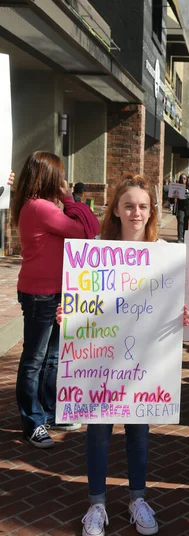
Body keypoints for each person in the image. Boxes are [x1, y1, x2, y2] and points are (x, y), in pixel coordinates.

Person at [57, 175, 189, 536]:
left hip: (144, 362)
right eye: (129, 205)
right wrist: (68, 314)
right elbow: (80, 301)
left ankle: (137, 499)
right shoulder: (94, 250)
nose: (136, 212)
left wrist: (183, 315)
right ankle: (97, 504)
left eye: (143, 206)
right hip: (102, 358)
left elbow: (171, 304)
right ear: (115, 208)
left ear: (151, 212)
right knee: (98, 429)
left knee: (139, 429)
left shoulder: (164, 253)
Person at [12, 151, 99, 449]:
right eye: (59, 176)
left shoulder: (39, 206)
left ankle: (49, 410)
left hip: (54, 291)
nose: (63, 181)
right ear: (48, 177)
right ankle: (33, 421)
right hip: (41, 294)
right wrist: (70, 199)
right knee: (35, 359)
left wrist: (67, 201)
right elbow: (88, 230)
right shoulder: (40, 208)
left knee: (51, 355)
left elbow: (89, 228)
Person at [173, 173, 189, 242]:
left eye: (184, 178)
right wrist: (173, 197)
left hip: (188, 207)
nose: (183, 180)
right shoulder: (177, 187)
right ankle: (180, 237)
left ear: (187, 179)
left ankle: (184, 236)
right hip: (180, 207)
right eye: (181, 178)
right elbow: (171, 199)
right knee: (180, 221)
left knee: (186, 222)